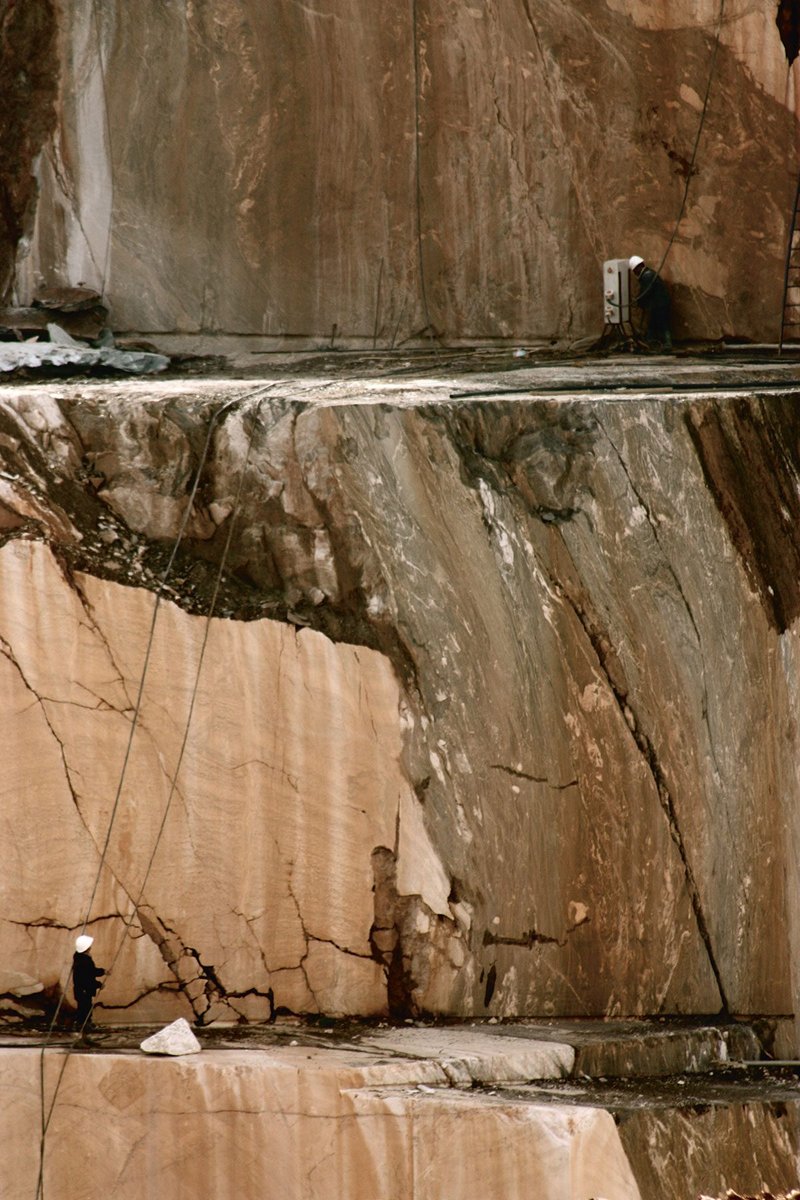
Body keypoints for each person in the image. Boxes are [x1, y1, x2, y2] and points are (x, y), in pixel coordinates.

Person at [629, 255, 672, 350]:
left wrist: (638, 301)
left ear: (637, 268)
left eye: (634, 270)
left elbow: (645, 292)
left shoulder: (647, 276)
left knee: (662, 323)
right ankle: (650, 342)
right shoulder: (648, 274)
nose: (635, 273)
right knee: (653, 324)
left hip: (659, 304)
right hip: (658, 303)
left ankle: (666, 344)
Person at [72, 934, 105, 1031]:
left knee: (83, 1009)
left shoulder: (79, 959)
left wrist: (103, 972)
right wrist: (98, 984)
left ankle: (83, 1029)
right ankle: (83, 1030)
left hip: (80, 990)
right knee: (85, 1010)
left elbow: (90, 973)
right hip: (84, 990)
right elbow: (88, 977)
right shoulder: (85, 961)